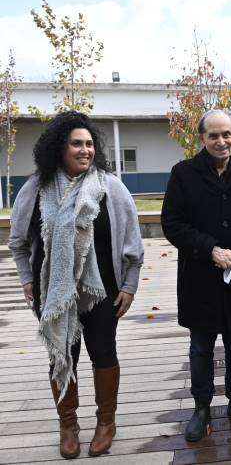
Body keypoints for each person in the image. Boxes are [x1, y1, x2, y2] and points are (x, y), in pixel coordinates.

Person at [8, 111, 144, 459]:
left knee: (104, 352)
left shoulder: (110, 188)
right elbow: (18, 242)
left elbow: (133, 245)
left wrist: (129, 285)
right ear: (59, 148)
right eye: (76, 144)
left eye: (89, 144)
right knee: (61, 354)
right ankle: (68, 425)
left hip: (102, 291)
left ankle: (106, 422)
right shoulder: (36, 189)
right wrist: (26, 279)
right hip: (53, 292)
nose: (85, 150)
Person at [161, 110, 231, 441]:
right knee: (201, 347)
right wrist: (211, 249)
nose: (221, 141)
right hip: (199, 277)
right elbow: (172, 223)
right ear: (202, 138)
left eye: (226, 134)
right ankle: (201, 408)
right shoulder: (183, 173)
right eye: (213, 135)